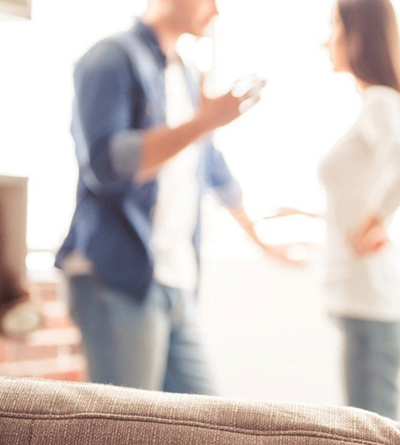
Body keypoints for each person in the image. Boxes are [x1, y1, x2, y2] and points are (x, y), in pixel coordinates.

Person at [55, 0, 297, 394]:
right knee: (124, 427)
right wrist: (203, 122)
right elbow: (105, 165)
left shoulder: (183, 72)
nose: (216, 11)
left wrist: (260, 239)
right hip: (118, 277)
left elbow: (209, 164)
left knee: (208, 422)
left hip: (177, 276)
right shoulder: (110, 58)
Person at [317, 0, 400, 420]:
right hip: (363, 306)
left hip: (371, 307)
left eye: (334, 27)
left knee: (367, 432)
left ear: (357, 35)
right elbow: (361, 194)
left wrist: (370, 223)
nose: (326, 41)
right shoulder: (373, 104)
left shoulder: (379, 100)